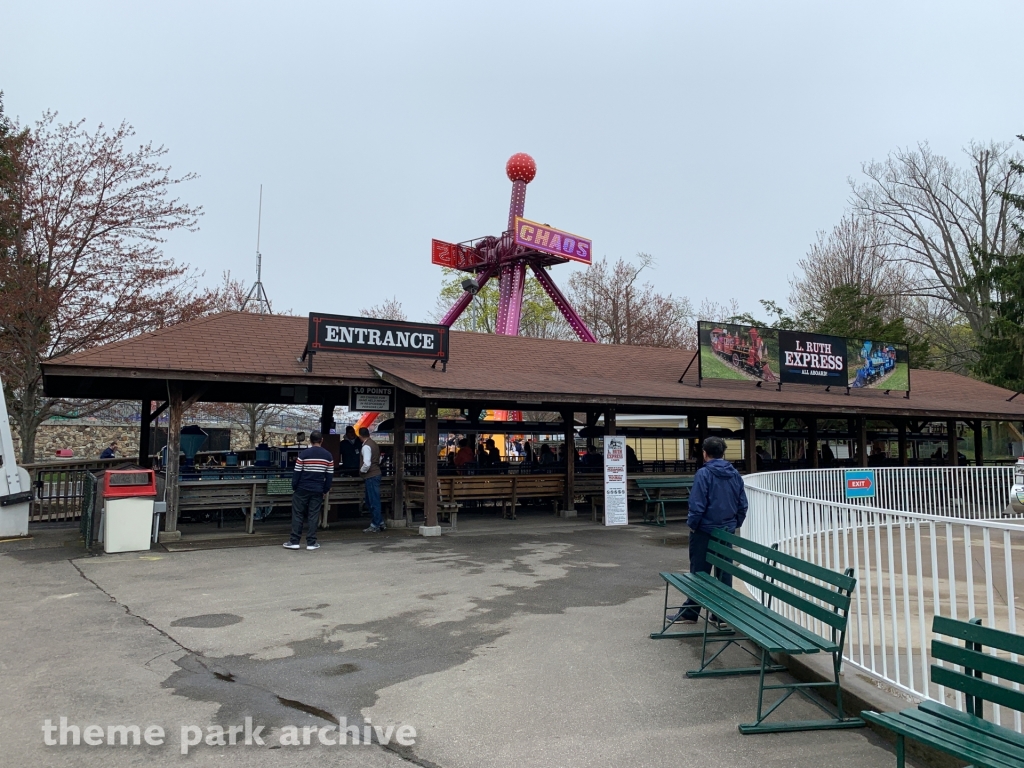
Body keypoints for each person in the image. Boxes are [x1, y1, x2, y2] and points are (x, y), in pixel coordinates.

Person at [673, 436, 748, 624]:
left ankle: (691, 611)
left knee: (699, 571)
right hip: (726, 530)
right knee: (724, 571)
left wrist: (693, 524)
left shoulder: (704, 474)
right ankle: (720, 614)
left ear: (704, 453)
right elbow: (742, 505)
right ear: (723, 453)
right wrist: (733, 524)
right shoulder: (735, 475)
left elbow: (697, 504)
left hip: (704, 530)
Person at [284, 430, 333, 551]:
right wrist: (325, 490)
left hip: (302, 488)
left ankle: (294, 541)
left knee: (298, 514)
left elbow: (297, 473)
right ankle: (311, 542)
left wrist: (294, 487)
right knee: (313, 515)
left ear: (310, 441)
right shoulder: (328, 456)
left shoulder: (303, 454)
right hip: (317, 489)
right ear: (322, 440)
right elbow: (329, 476)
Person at [359, 427, 385, 533]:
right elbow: (378, 459)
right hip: (376, 473)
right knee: (373, 500)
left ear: (360, 436)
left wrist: (362, 471)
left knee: (372, 501)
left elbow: (367, 463)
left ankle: (376, 524)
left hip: (370, 476)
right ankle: (380, 521)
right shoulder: (374, 444)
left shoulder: (366, 447)